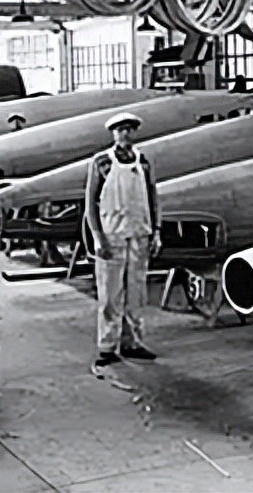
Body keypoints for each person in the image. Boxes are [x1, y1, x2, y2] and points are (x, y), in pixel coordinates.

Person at [85, 112, 160, 371]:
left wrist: (156, 231)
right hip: (112, 236)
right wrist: (97, 238)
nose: (125, 134)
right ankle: (107, 346)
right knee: (110, 295)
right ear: (113, 133)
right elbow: (90, 204)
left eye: (129, 129)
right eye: (120, 130)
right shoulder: (101, 162)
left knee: (136, 293)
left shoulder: (144, 161)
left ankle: (132, 343)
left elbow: (153, 196)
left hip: (139, 233)